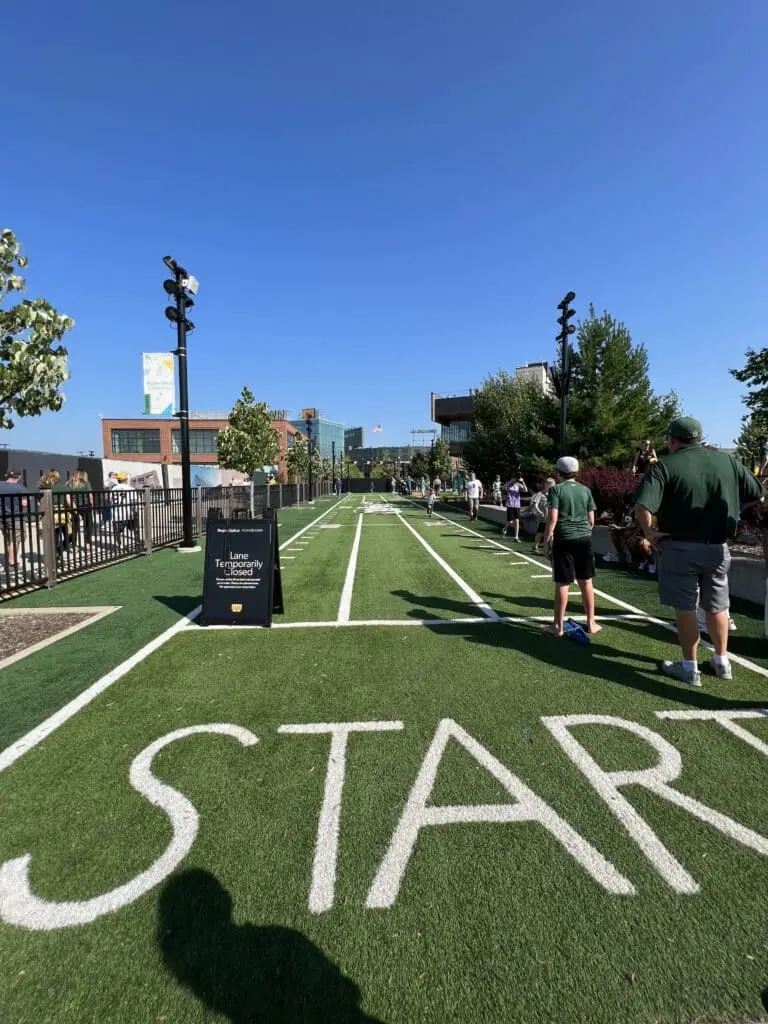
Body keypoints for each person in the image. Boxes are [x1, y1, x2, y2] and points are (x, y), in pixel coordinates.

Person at [635, 415, 763, 685]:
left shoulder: (664, 466)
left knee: (686, 608)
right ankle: (722, 661)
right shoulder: (727, 461)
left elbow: (643, 506)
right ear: (699, 438)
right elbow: (756, 492)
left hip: (680, 547)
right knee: (717, 606)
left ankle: (689, 667)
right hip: (718, 547)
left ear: (672, 440)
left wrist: (650, 533)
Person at [543, 457, 600, 636]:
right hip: (584, 539)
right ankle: (591, 622)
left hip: (564, 539)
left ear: (558, 472)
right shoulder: (585, 490)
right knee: (586, 581)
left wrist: (546, 540)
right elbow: (592, 521)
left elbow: (552, 518)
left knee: (562, 583)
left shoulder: (556, 490)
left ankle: (557, 626)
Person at [0, 469, 28, 575]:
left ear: (6, 475)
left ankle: (12, 560)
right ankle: (12, 563)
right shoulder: (20, 488)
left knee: (8, 539)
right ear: (19, 477)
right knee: (16, 539)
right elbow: (24, 504)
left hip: (2, 517)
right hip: (16, 517)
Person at [529, 477, 554, 554]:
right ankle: (535, 546)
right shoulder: (540, 494)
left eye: (551, 484)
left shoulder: (554, 495)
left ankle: (551, 549)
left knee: (551, 533)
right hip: (543, 518)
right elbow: (535, 504)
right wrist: (539, 511)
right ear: (545, 485)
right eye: (548, 484)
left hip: (552, 518)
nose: (549, 486)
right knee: (540, 534)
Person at [502, 473, 527, 541]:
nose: (516, 479)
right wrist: (511, 481)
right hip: (510, 504)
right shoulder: (509, 484)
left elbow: (525, 490)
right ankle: (505, 528)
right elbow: (503, 488)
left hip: (517, 505)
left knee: (517, 520)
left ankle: (516, 537)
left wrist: (523, 482)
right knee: (510, 521)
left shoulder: (519, 484)